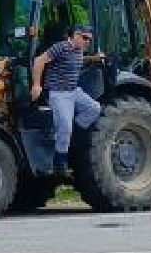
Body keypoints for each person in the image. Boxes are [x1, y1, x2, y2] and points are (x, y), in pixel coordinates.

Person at [31, 23, 101, 162]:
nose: (88, 42)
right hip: (59, 93)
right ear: (75, 35)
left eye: (90, 40)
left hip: (74, 91)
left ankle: (71, 132)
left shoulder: (78, 50)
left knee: (95, 108)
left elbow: (78, 59)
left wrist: (94, 58)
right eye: (85, 38)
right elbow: (39, 61)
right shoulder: (60, 47)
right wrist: (36, 85)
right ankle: (60, 160)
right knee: (65, 128)